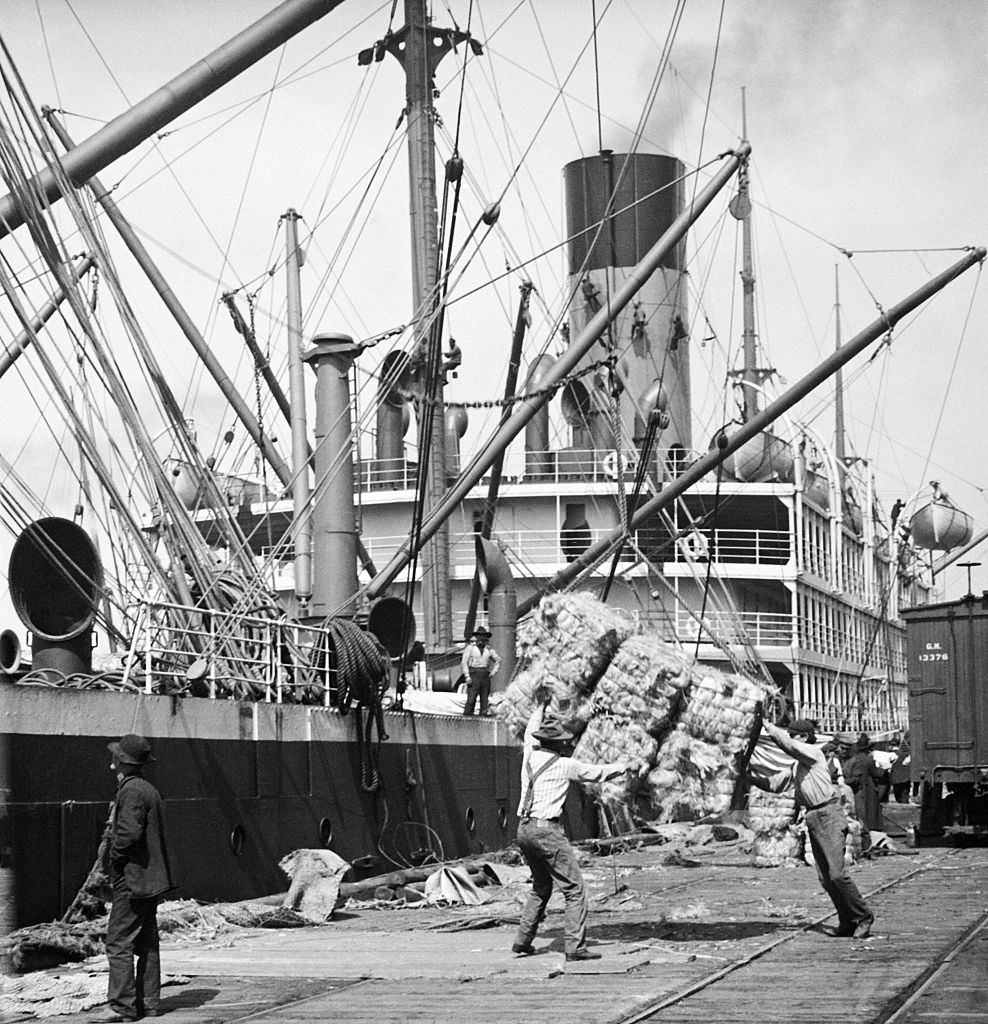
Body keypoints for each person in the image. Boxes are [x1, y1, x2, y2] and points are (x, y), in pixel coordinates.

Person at [512, 706, 641, 961]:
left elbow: (528, 732)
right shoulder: (565, 765)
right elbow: (598, 773)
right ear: (559, 745)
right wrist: (626, 766)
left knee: (541, 886)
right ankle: (575, 947)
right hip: (547, 832)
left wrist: (540, 707)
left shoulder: (528, 754)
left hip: (524, 828)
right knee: (574, 889)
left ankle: (522, 940)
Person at [749, 718, 873, 938]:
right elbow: (774, 785)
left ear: (804, 737)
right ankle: (847, 921)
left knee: (837, 874)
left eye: (793, 735)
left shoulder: (813, 754)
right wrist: (748, 774)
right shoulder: (798, 766)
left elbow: (788, 745)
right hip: (814, 818)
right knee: (826, 878)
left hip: (829, 814)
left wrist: (767, 726)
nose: (791, 740)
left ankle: (863, 915)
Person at [92, 734, 174, 1023]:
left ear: (122, 762)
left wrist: (113, 859)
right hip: (152, 880)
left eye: (115, 759)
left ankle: (121, 1007)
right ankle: (148, 1003)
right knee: (148, 942)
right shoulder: (148, 789)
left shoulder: (131, 792)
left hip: (133, 880)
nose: (112, 765)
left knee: (118, 941)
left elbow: (127, 835)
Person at [844, 733, 889, 855]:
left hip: (856, 791)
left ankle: (863, 844)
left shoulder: (852, 760)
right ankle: (868, 844)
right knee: (869, 817)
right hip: (867, 791)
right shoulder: (868, 760)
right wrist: (885, 769)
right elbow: (876, 774)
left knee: (859, 816)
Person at [460, 627, 500, 716]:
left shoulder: (489, 650)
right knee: (471, 699)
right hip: (474, 674)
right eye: (480, 636)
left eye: (484, 637)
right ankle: (467, 720)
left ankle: (483, 720)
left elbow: (498, 660)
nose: (482, 639)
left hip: (485, 675)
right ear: (476, 638)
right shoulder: (470, 648)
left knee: (484, 700)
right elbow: (464, 662)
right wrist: (467, 675)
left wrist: (494, 672)